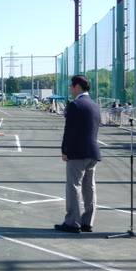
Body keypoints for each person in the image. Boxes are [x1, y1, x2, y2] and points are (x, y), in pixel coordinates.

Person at [55, 75, 101, 234]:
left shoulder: (75, 105)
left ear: (77, 87)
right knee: (90, 187)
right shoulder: (95, 105)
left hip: (77, 152)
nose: (70, 89)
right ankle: (87, 222)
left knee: (74, 186)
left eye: (71, 86)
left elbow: (69, 131)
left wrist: (65, 150)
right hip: (93, 152)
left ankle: (72, 222)